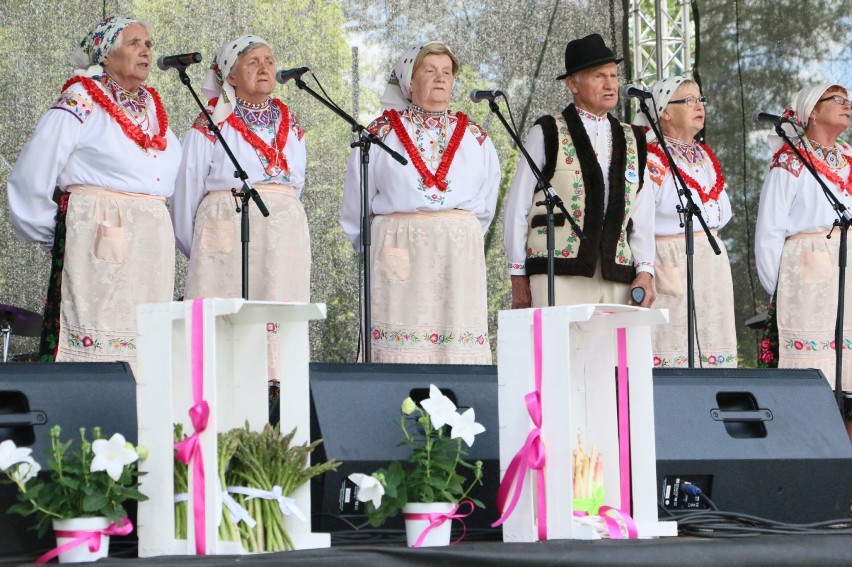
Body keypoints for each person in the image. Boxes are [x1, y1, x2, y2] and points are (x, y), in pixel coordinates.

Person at [7, 16, 181, 368]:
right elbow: (32, 173)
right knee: (94, 351)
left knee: (147, 355)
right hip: (97, 244)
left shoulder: (151, 106)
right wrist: (63, 238)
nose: (145, 51)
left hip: (149, 253)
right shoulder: (81, 98)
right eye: (133, 43)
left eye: (148, 44)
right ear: (105, 54)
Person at [339, 41, 500, 364]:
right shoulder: (378, 134)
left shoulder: (476, 136)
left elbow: (486, 203)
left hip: (457, 260)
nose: (440, 78)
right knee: (399, 353)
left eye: (446, 72)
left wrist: (457, 236)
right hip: (397, 255)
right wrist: (375, 250)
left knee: (455, 349)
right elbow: (356, 203)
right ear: (408, 82)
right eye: (429, 70)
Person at [171, 35, 310, 381]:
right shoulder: (209, 123)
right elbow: (185, 193)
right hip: (224, 243)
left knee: (279, 323)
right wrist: (207, 251)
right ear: (230, 76)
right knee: (225, 334)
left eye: (269, 60)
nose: (264, 67)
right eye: (252, 62)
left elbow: (296, 186)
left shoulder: (290, 123)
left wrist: (280, 223)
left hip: (282, 243)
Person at [503, 33, 655, 309]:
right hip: (558, 272)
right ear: (573, 83)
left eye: (613, 75)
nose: (610, 84)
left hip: (617, 273)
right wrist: (517, 275)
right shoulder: (547, 131)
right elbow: (518, 206)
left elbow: (642, 213)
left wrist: (645, 269)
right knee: (560, 350)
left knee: (612, 350)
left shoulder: (633, 138)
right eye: (599, 76)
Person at [755, 83, 852, 404]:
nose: (846, 104)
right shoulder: (789, 162)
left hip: (847, 272)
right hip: (806, 282)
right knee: (814, 380)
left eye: (847, 99)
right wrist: (780, 292)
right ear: (812, 112)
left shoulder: (849, 157)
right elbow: (769, 233)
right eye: (836, 99)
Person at [634, 77, 737, 368]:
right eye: (688, 100)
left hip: (709, 261)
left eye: (700, 100)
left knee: (713, 346)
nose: (698, 106)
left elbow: (722, 211)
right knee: (674, 349)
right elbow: (641, 220)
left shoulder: (704, 156)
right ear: (664, 111)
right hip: (670, 260)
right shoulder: (651, 158)